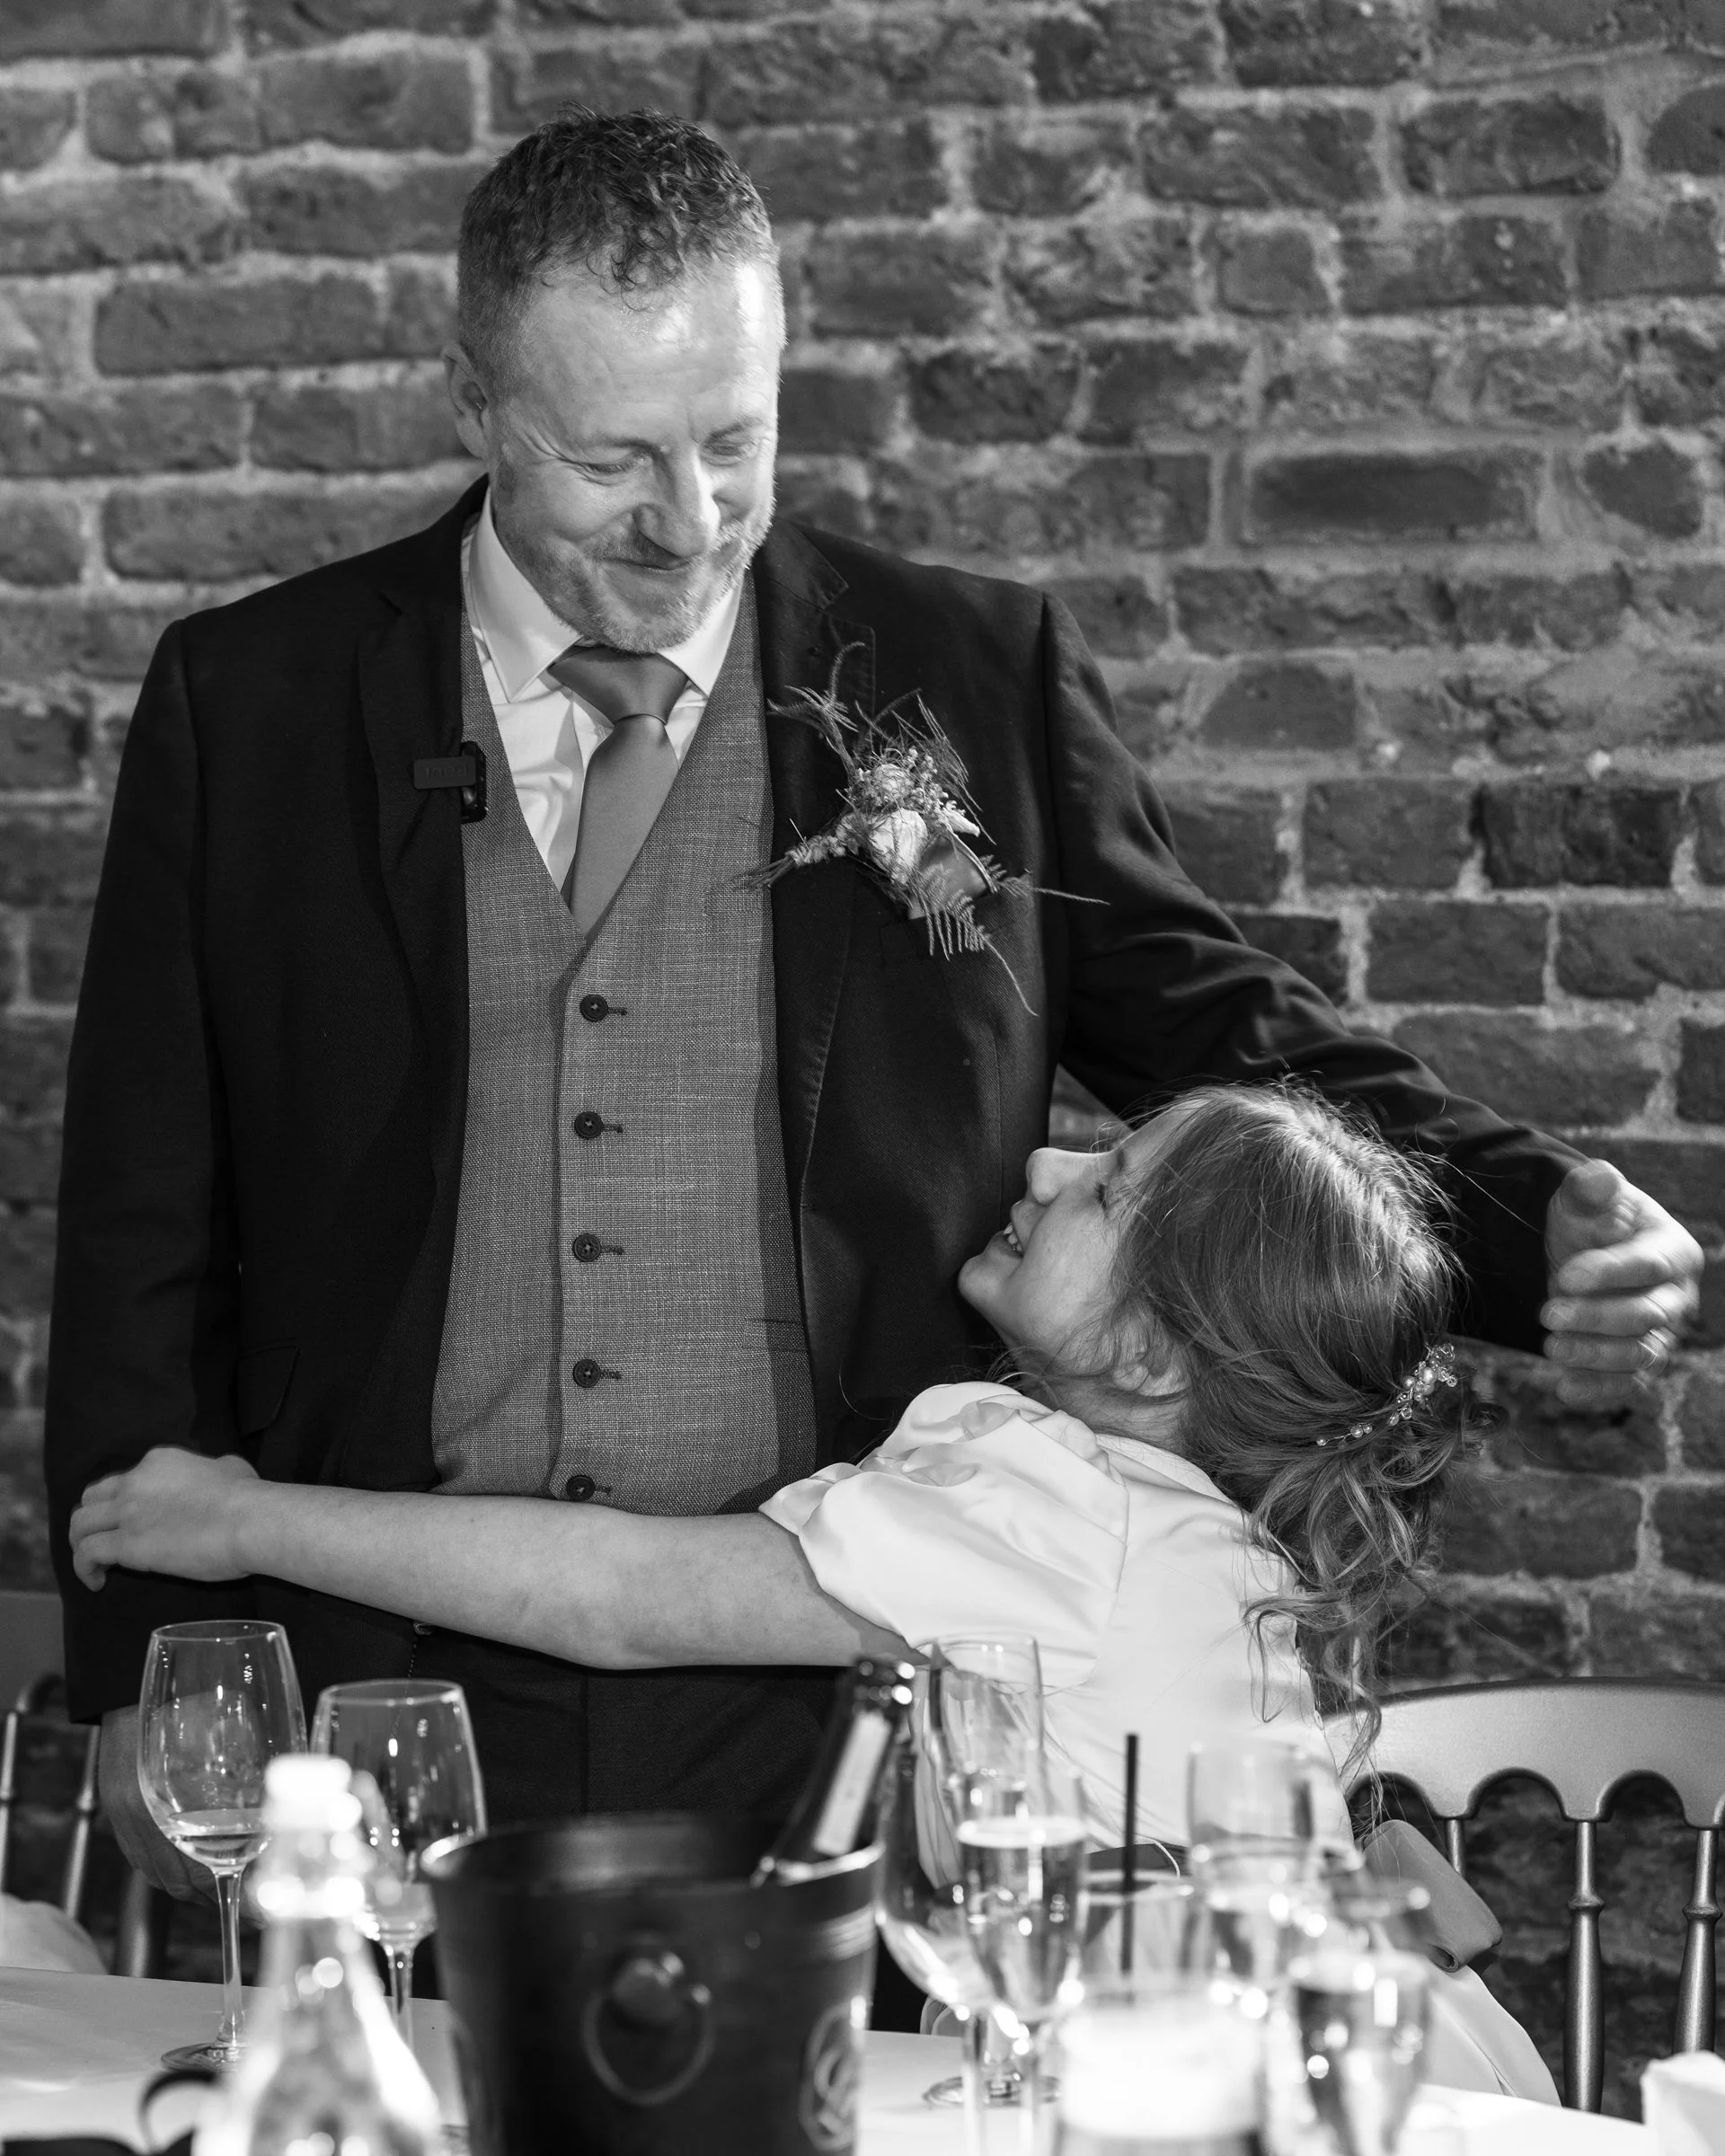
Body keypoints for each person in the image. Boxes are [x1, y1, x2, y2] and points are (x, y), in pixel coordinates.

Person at [46, 107, 1702, 1904]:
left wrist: (1534, 1226)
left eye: (733, 442)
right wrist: (148, 1672)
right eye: (613, 461)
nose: (690, 523)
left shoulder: (973, 676)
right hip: (378, 1675)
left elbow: (1228, 1037)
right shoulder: (253, 704)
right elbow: (143, 1216)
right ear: (476, 406)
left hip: (844, 1695)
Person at [64, 1087, 1512, 1842]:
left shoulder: (1062, 1518)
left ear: (1148, 1355)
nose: (1046, 1166)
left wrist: (242, 1518)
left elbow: (616, 1597)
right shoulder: (1174, 1526)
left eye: (1108, 1189)